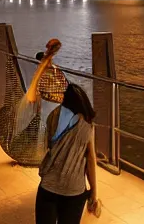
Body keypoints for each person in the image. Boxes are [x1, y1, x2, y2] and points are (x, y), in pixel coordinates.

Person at [35, 83, 100, 224]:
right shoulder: (88, 125)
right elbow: (90, 160)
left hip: (48, 186)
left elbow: (48, 144)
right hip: (74, 191)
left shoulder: (53, 116)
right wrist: (93, 192)